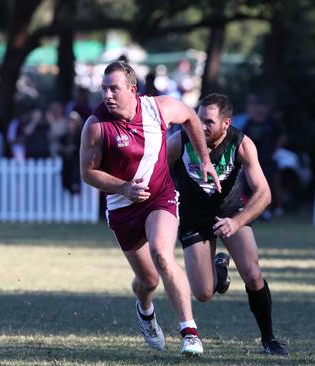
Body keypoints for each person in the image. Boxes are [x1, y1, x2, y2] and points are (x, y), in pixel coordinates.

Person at [80, 61, 220, 358]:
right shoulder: (95, 125)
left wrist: (205, 158)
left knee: (162, 254)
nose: (107, 95)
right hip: (122, 207)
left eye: (114, 88)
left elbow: (192, 119)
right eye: (104, 89)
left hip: (160, 197)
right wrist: (123, 188)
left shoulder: (159, 108)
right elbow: (87, 173)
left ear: (132, 90)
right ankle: (145, 311)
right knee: (148, 281)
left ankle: (189, 332)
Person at [167, 93, 290, 356]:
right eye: (199, 119)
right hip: (193, 216)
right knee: (203, 293)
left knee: (253, 273)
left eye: (209, 122)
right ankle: (219, 270)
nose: (201, 126)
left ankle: (268, 339)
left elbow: (264, 194)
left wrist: (236, 222)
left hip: (230, 212)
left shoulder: (241, 144)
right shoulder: (179, 141)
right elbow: (157, 173)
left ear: (226, 123)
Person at [242, 93, 287, 218]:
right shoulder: (249, 123)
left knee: (272, 184)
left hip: (268, 160)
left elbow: (282, 137)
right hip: (254, 160)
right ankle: (256, 211)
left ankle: (274, 208)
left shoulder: (272, 123)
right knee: (250, 185)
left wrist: (275, 151)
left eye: (261, 107)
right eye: (255, 107)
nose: (258, 110)